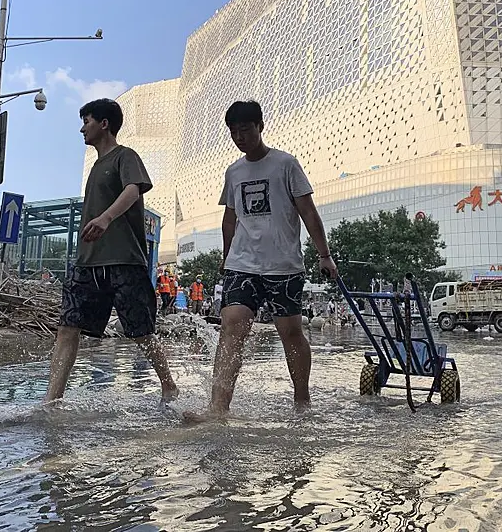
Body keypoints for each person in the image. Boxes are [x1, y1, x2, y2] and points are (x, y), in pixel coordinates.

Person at [184, 100, 337, 422]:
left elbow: (308, 211)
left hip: (284, 264)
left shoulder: (285, 164)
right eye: (234, 132)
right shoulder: (234, 171)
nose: (240, 137)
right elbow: (229, 218)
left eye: (245, 130)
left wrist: (324, 255)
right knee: (231, 325)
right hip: (243, 263)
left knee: (291, 332)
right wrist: (227, 259)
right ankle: (217, 408)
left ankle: (302, 401)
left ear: (260, 127)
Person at [45, 98, 178, 404]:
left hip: (124, 261)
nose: (82, 128)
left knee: (140, 331)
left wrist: (106, 218)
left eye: (87, 121)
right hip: (88, 263)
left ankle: (168, 384)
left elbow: (134, 189)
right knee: (68, 327)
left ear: (104, 124)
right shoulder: (94, 168)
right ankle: (52, 400)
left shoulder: (124, 156)